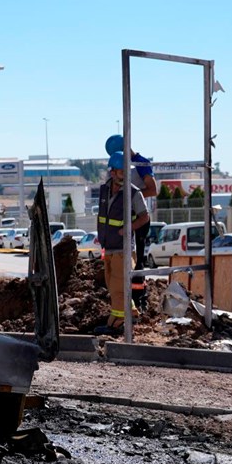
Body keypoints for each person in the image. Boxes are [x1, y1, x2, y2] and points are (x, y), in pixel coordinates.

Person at [95, 151, 150, 336]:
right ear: (113, 172)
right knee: (113, 287)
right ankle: (131, 313)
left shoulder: (133, 193)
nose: (125, 175)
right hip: (108, 247)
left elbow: (145, 217)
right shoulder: (104, 191)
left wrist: (128, 229)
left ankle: (118, 323)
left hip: (123, 249)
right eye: (121, 171)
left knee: (118, 289)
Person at [105, 134, 157, 307]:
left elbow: (152, 189)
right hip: (125, 219)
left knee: (137, 260)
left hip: (139, 219)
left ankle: (138, 296)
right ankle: (125, 295)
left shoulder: (140, 163)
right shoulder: (119, 166)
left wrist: (131, 195)